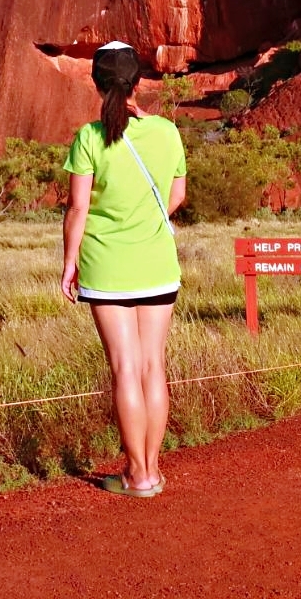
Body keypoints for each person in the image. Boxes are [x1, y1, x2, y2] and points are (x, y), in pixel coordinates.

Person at [60, 41, 187, 498]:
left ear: (97, 83)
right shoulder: (168, 133)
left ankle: (136, 475)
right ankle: (150, 470)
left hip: (106, 265)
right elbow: (176, 198)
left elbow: (77, 209)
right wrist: (147, 224)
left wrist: (69, 262)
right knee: (154, 366)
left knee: (125, 368)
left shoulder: (90, 138)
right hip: (157, 264)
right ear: (138, 82)